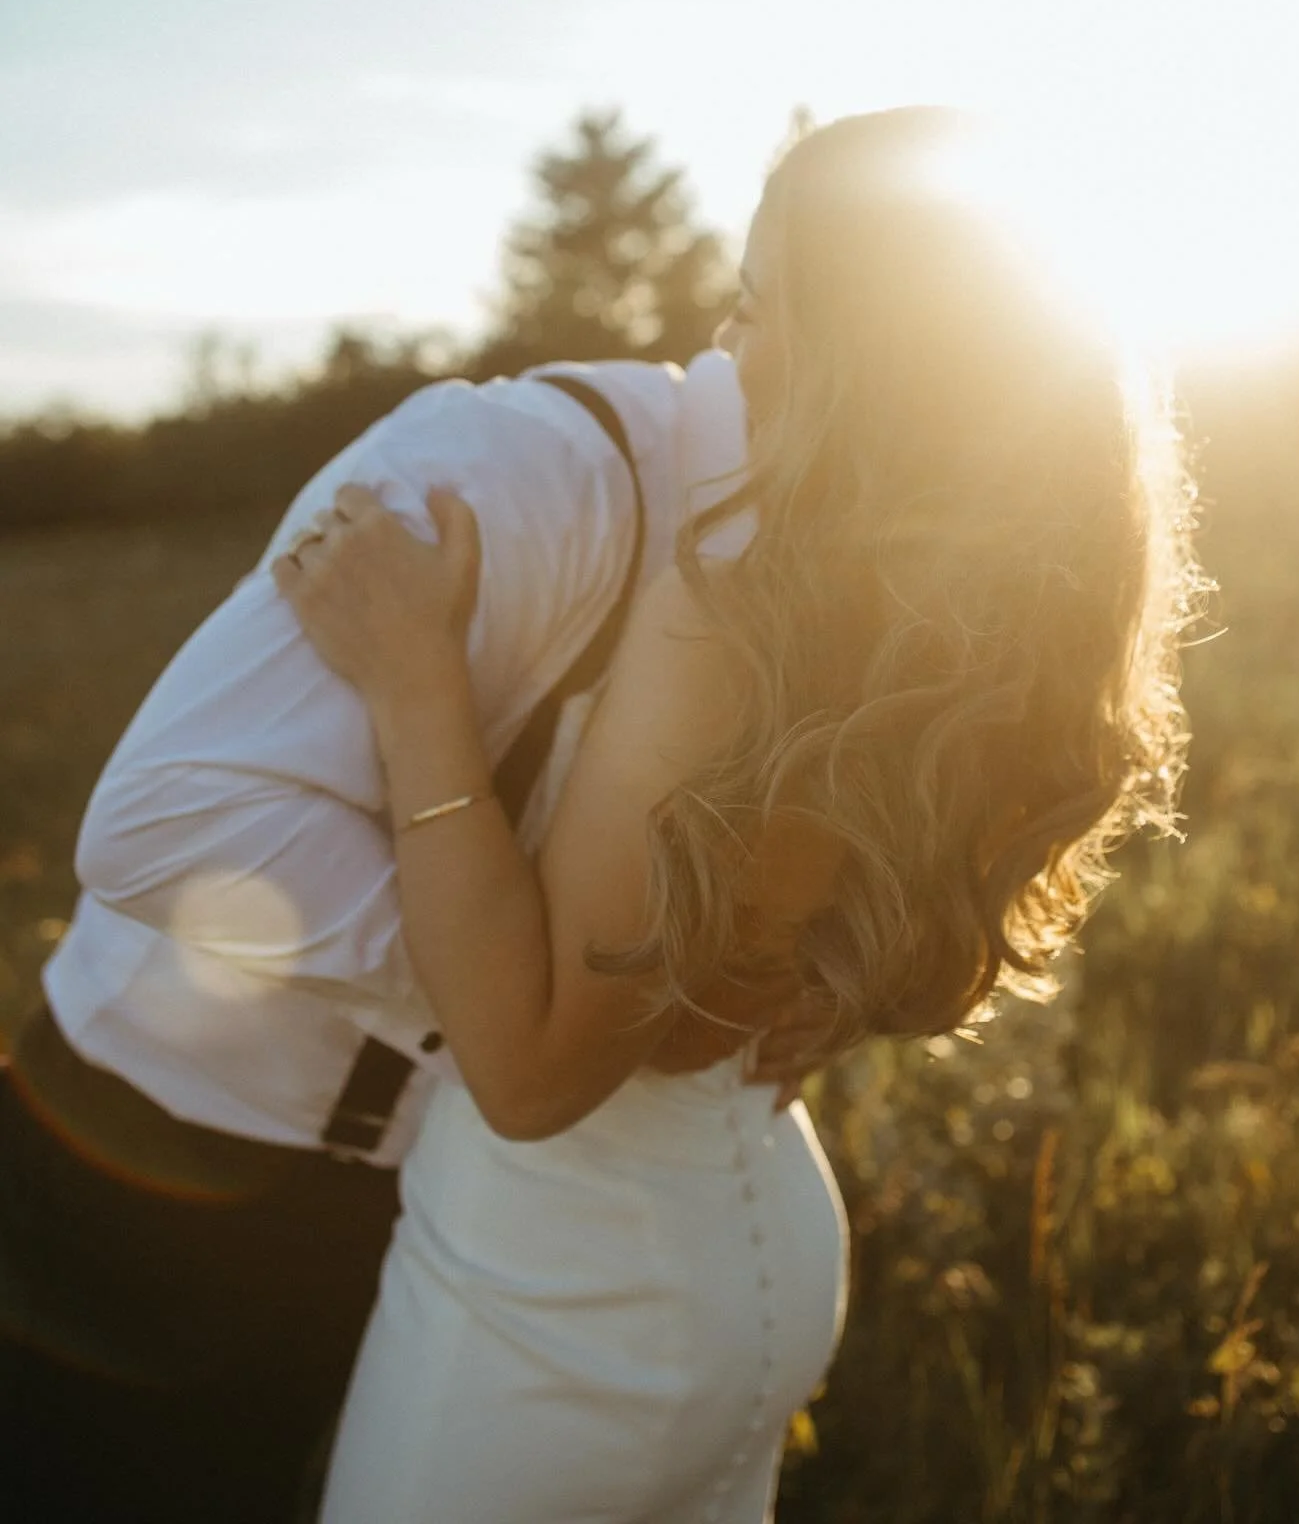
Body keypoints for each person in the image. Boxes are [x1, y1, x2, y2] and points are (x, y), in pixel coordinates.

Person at [266, 107, 1202, 1523]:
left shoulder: (741, 608)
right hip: (757, 1242)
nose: (723, 352)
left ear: (868, 361)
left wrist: (414, 686)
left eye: (763, 309)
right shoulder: (949, 621)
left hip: (554, 1299)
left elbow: (527, 1077)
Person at [0, 344, 747, 1523]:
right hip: (151, 1156)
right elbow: (164, 822)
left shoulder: (842, 590)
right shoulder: (509, 468)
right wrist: (520, 999)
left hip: (447, 1193)